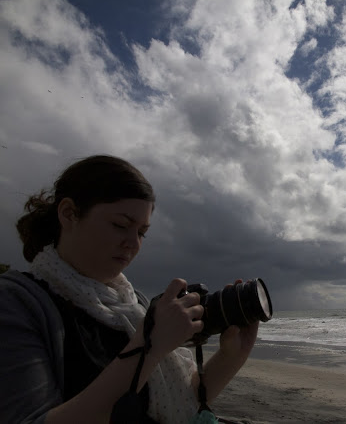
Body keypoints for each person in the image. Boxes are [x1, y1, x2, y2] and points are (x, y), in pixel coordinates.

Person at [0, 155, 259, 423]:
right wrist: (149, 346)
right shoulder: (17, 303)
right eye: (120, 225)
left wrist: (233, 356)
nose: (133, 243)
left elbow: (182, 401)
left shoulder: (134, 304)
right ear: (69, 214)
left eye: (141, 232)